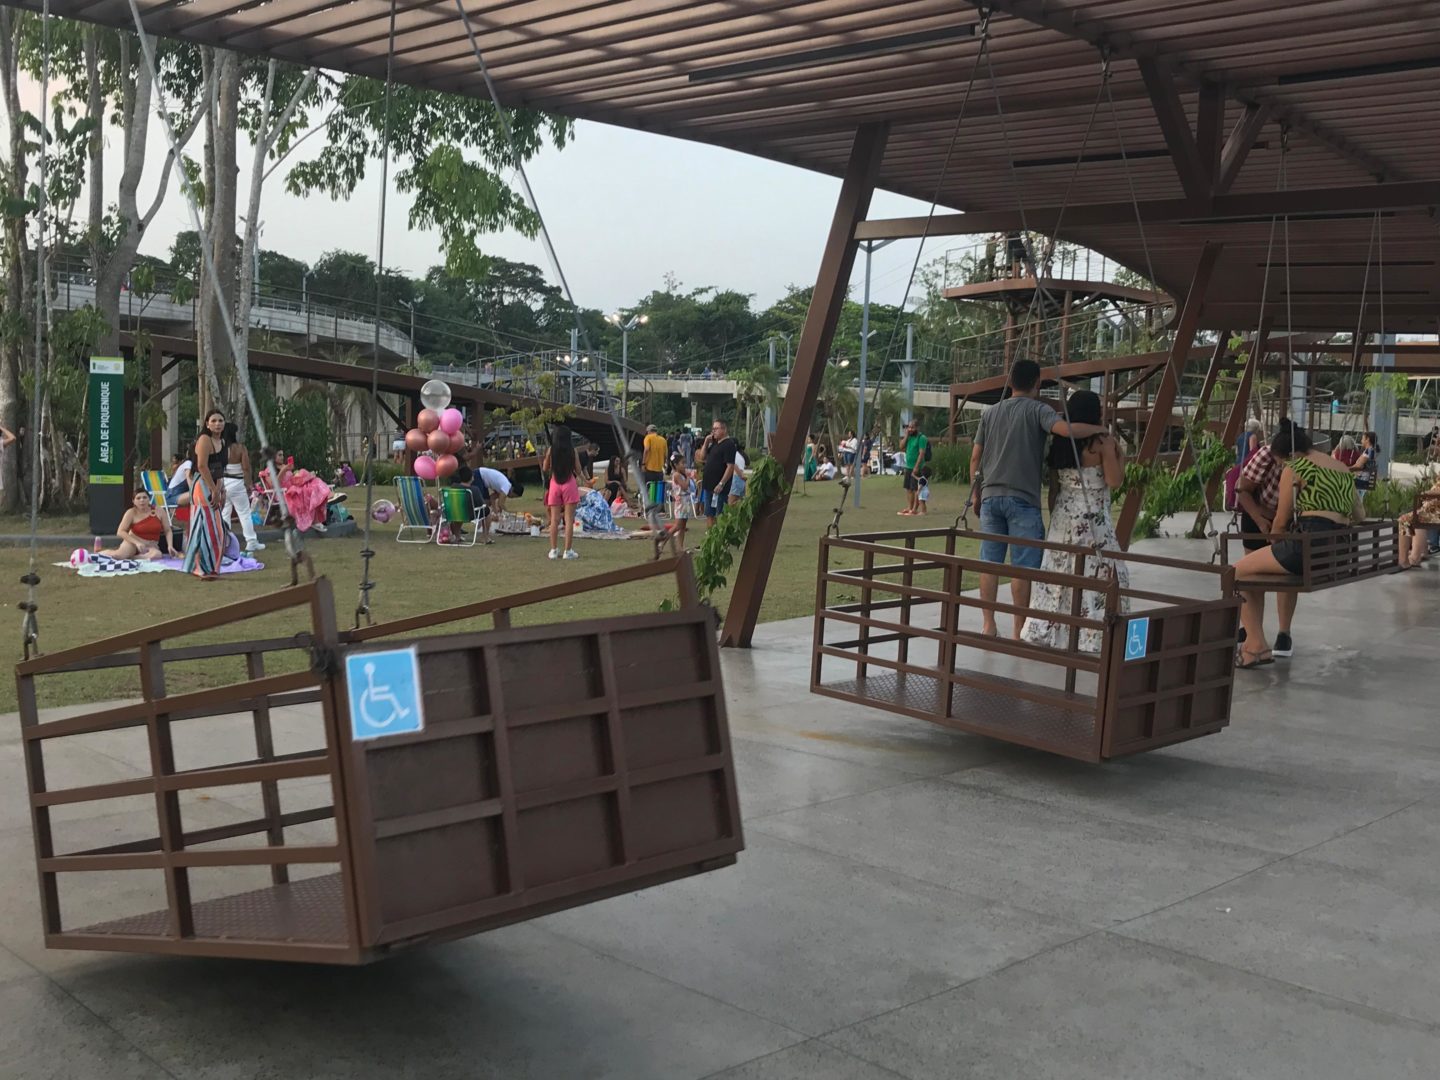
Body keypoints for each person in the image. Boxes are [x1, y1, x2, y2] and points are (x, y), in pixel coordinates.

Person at [968, 360, 1108, 639]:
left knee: (989, 563)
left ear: (1010, 383)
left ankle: (988, 624)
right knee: (1022, 568)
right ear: (1037, 384)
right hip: (1022, 499)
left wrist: (976, 492)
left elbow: (975, 457)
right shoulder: (1038, 410)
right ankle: (1019, 629)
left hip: (991, 496)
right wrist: (1097, 430)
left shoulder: (991, 413)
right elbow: (1065, 431)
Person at [1232, 421, 1359, 668]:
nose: (1280, 467)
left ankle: (1256, 646)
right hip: (1338, 553)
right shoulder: (1342, 468)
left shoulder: (1296, 466)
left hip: (1307, 548)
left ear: (1291, 455)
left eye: (1281, 462)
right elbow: (1360, 514)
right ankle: (1259, 640)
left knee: (1234, 572)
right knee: (1255, 572)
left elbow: (1280, 523)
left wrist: (1274, 542)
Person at [1020, 390, 1128, 652]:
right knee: (1099, 571)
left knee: (1059, 571)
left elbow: (1055, 488)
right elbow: (1114, 481)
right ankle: (1093, 636)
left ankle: (1048, 630)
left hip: (1063, 514)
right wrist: (1119, 455)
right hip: (1093, 518)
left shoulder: (1060, 441)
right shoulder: (1103, 442)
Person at [181, 409, 229, 580]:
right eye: (214, 420)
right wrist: (213, 490)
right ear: (207, 423)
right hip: (203, 485)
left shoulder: (222, 441)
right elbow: (202, 466)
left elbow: (220, 469)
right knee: (211, 528)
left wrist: (221, 489)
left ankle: (206, 567)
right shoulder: (204, 440)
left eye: (220, 420)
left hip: (215, 484)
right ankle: (203, 568)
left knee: (208, 528)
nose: (217, 424)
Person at [219, 423, 264, 554]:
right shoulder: (240, 448)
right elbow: (246, 467)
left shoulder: (219, 447)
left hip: (223, 481)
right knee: (244, 513)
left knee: (224, 513)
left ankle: (224, 541)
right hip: (237, 482)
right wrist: (249, 484)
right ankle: (251, 541)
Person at [96, 489, 173, 560]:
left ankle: (132, 558)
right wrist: (137, 543)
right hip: (133, 542)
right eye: (138, 498)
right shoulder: (131, 512)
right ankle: (97, 554)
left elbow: (168, 530)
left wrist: (170, 545)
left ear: (149, 499)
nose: (142, 500)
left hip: (151, 545)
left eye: (144, 497)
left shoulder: (159, 510)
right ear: (133, 501)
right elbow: (120, 531)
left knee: (157, 555)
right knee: (118, 555)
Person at [272, 449, 335, 533]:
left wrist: (296, 474)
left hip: (293, 489)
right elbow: (275, 484)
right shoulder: (270, 470)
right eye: (279, 455)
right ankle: (315, 520)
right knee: (307, 492)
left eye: (282, 455)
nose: (282, 457)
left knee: (312, 483)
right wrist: (284, 469)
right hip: (283, 493)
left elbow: (291, 479)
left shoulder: (285, 466)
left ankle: (325, 495)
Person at [542, 424, 581, 560]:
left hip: (555, 484)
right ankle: (568, 551)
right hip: (569, 483)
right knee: (569, 520)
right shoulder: (572, 451)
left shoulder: (551, 450)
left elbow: (545, 467)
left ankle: (553, 550)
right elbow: (578, 470)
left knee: (554, 520)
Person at [695, 418, 738, 526]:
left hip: (719, 487)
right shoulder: (715, 443)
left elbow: (730, 466)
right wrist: (706, 442)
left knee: (719, 514)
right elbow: (702, 457)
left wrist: (721, 483)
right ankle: (710, 536)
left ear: (724, 429)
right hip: (709, 485)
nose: (714, 431)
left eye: (716, 429)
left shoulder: (729, 444)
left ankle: (719, 538)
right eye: (713, 429)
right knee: (709, 513)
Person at [1398, 476, 1440, 568]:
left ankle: (1408, 559)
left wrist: (1427, 493)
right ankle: (1415, 555)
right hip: (1432, 510)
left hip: (1436, 512)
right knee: (1410, 519)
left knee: (1407, 520)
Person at [668, 454, 697, 550]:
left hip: (686, 501)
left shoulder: (682, 474)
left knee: (683, 526)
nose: (684, 465)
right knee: (677, 525)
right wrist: (689, 477)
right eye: (682, 463)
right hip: (681, 501)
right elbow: (684, 487)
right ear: (676, 465)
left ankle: (680, 546)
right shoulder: (676, 475)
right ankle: (662, 541)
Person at [642, 425, 668, 508]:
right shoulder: (663, 440)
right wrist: (663, 464)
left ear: (648, 431)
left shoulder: (648, 438)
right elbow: (665, 455)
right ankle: (660, 508)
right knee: (659, 490)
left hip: (649, 469)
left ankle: (646, 507)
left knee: (647, 489)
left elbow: (646, 450)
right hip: (659, 470)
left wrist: (643, 463)